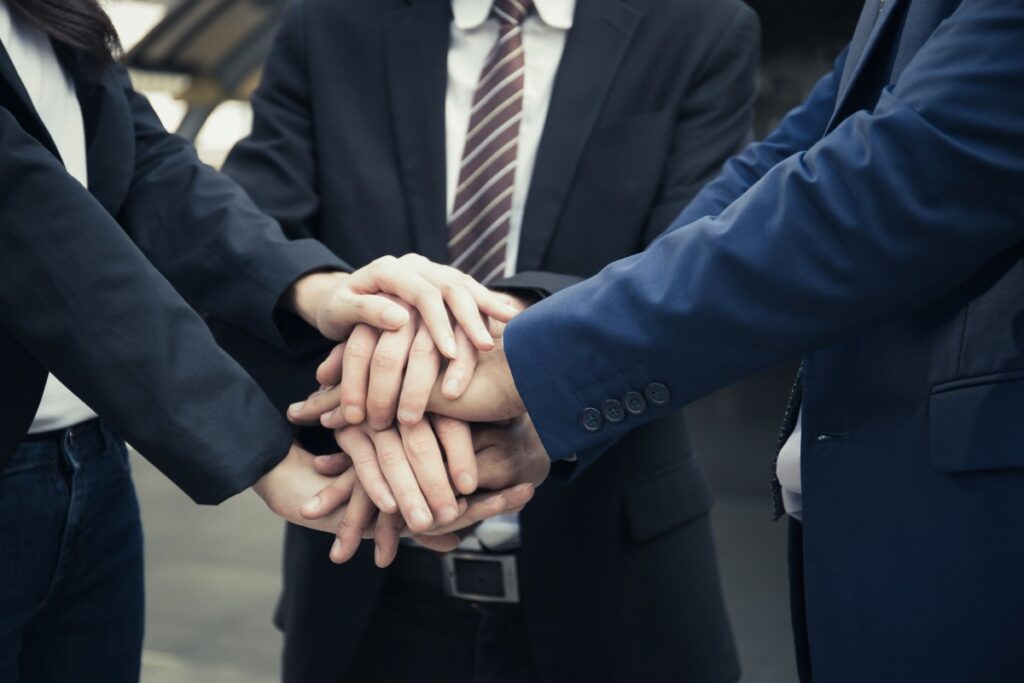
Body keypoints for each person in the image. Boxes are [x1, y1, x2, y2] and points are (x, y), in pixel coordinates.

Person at [302, 0, 1024, 680]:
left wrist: (529, 365)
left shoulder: (695, 23)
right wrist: (532, 350)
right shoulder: (332, 22)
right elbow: (789, 158)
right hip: (890, 544)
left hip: (964, 546)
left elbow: (911, 166)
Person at [218, 0, 760, 680]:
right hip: (366, 583)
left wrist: (511, 344)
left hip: (617, 591)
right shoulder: (328, 22)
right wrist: (370, 357)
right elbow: (253, 250)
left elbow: (694, 270)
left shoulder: (698, 25)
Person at [0, 1, 528, 680]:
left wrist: (321, 289)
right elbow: (38, 231)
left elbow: (146, 163)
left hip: (92, 464)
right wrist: (263, 452)